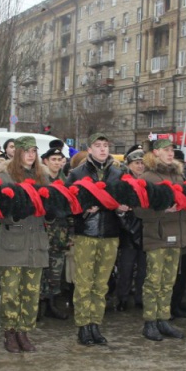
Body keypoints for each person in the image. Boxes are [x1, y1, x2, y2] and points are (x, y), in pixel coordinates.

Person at [66, 133, 126, 346]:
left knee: (101, 284)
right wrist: (83, 211)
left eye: (105, 145)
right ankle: (83, 325)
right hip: (86, 234)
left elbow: (126, 200)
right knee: (84, 283)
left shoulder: (118, 174)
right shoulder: (77, 174)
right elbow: (67, 202)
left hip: (110, 234)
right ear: (89, 149)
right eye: (97, 146)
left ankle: (95, 325)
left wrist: (122, 210)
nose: (102, 149)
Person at [0, 136, 50, 352]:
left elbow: (51, 208)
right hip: (13, 242)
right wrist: (14, 211)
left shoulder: (43, 177)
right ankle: (9, 332)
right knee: (10, 292)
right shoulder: (5, 177)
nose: (30, 155)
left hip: (37, 242)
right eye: (26, 151)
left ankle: (24, 331)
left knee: (31, 292)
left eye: (34, 151)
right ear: (17, 153)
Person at [135, 139, 186, 341]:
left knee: (169, 281)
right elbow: (139, 209)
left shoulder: (178, 175)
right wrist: (161, 209)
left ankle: (163, 319)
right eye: (166, 150)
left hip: (177, 233)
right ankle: (150, 322)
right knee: (154, 281)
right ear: (156, 152)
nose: (170, 153)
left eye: (172, 150)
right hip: (157, 235)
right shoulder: (148, 176)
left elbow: (185, 199)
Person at [113, 148, 146, 311]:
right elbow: (119, 207)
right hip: (128, 230)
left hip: (146, 229)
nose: (140, 166)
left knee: (143, 269)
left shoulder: (148, 181)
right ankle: (122, 298)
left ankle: (139, 297)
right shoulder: (123, 182)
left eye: (142, 163)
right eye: (136, 163)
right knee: (125, 268)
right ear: (129, 165)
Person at [39, 147, 69, 320]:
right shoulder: (41, 180)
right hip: (44, 232)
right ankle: (37, 307)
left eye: (59, 159)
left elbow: (72, 208)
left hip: (60, 233)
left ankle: (51, 305)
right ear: (46, 161)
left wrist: (69, 235)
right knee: (41, 271)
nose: (57, 163)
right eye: (54, 159)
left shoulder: (65, 180)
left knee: (55, 272)